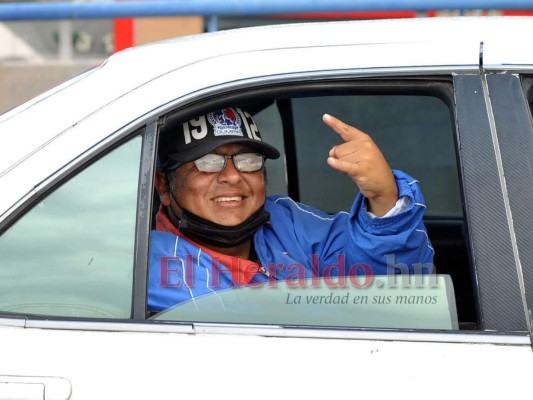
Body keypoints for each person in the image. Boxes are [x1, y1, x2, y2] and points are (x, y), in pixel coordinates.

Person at [149, 107, 434, 311]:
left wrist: (384, 199)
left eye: (248, 160)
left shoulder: (288, 221)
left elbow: (398, 292)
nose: (233, 176)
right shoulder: (151, 267)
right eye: (208, 163)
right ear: (164, 185)